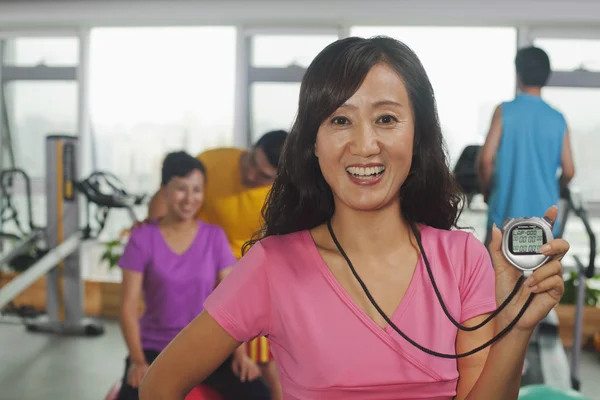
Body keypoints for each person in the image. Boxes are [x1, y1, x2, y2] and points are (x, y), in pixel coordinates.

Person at [139, 37, 569, 400]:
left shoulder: (463, 259)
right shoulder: (273, 265)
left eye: (386, 119)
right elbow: (158, 385)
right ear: (313, 143)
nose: (365, 145)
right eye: (340, 120)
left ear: (417, 134)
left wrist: (517, 327)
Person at [117, 151, 270, 400]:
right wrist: (137, 360)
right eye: (181, 189)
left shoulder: (215, 237)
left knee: (259, 395)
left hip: (206, 346)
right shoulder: (142, 239)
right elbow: (127, 306)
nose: (189, 198)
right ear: (164, 190)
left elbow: (233, 300)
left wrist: (240, 355)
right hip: (156, 349)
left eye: (197, 190)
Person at [146, 131, 288, 399]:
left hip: (244, 274)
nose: (251, 176)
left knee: (267, 365)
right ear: (250, 149)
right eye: (251, 165)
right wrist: (151, 236)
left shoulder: (282, 194)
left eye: (263, 176)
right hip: (198, 264)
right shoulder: (214, 161)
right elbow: (169, 192)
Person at [477, 46, 576, 245]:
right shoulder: (558, 119)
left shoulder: (504, 112)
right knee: (538, 277)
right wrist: (554, 189)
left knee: (496, 276)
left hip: (504, 221)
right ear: (546, 76)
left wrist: (487, 191)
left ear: (518, 73)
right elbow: (569, 170)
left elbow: (485, 161)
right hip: (543, 225)